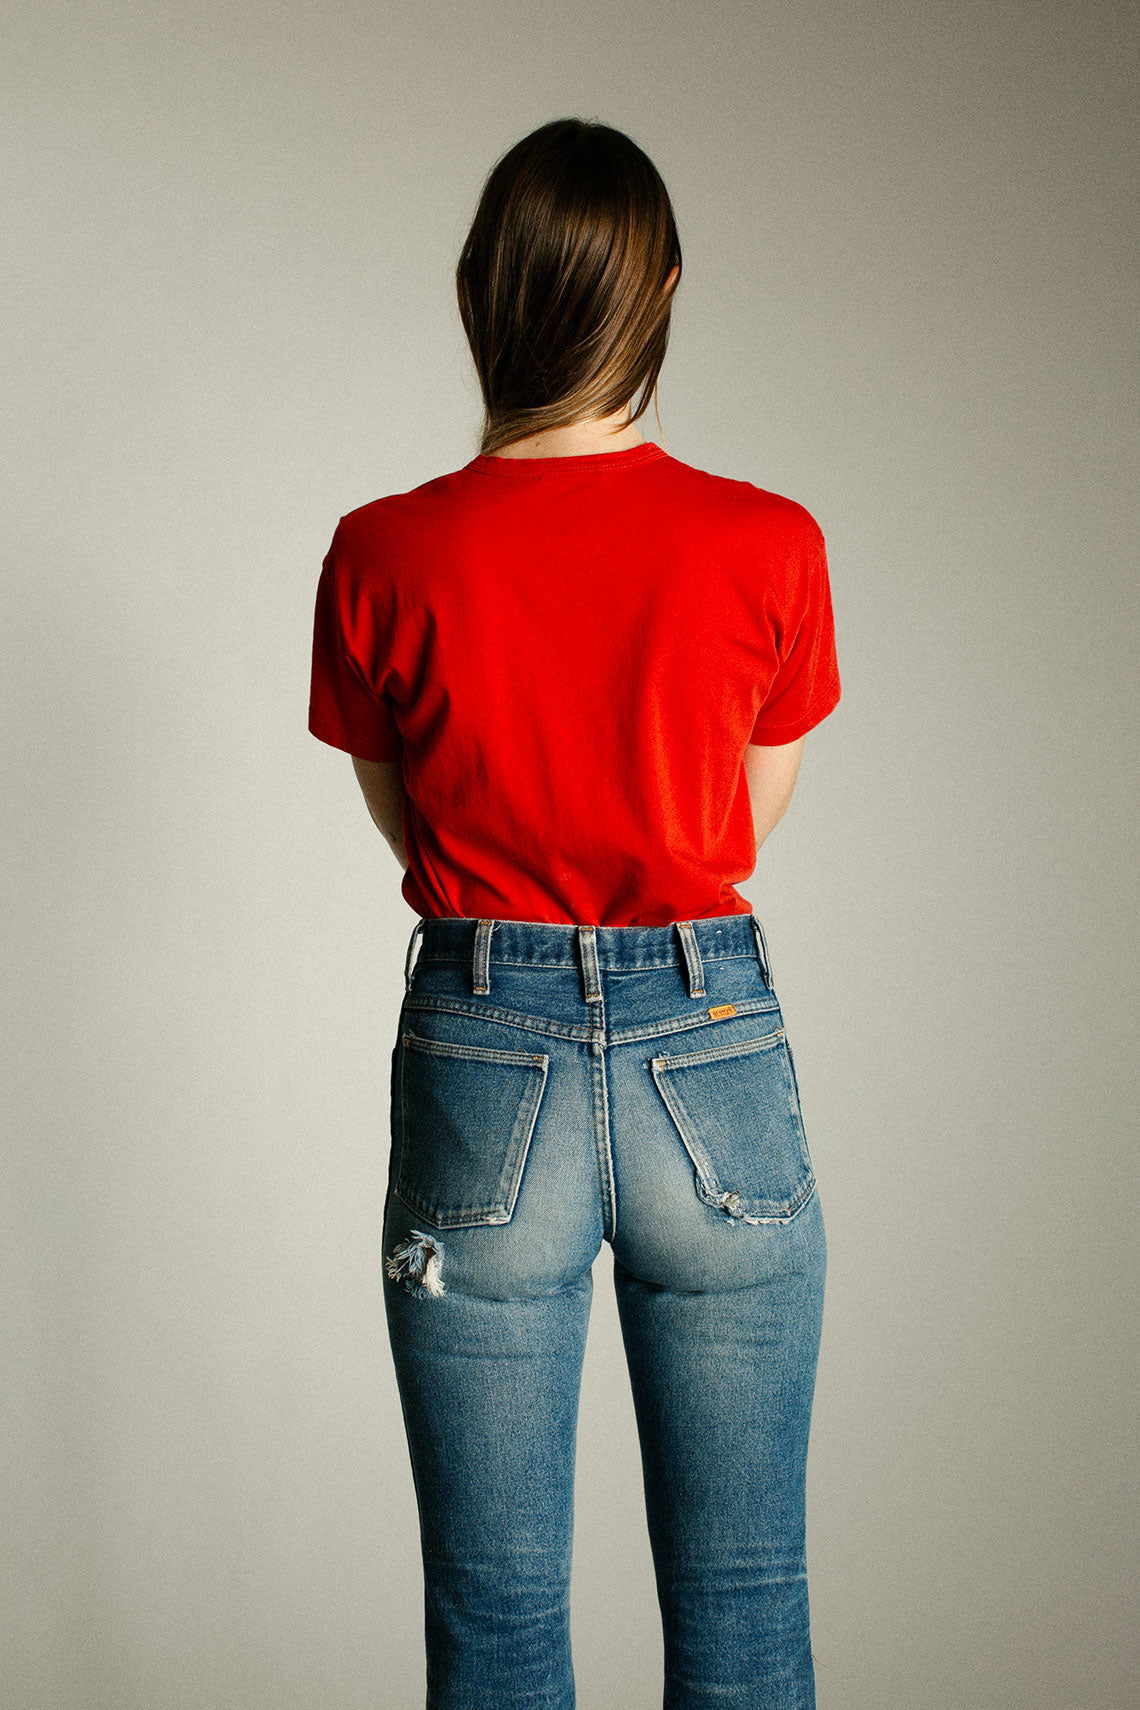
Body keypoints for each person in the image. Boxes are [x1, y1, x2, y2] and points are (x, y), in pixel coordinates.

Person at [308, 115, 841, 1710]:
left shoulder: (384, 552)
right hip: (709, 1050)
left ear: (482, 289)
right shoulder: (770, 544)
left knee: (492, 1616)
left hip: (486, 1057)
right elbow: (743, 819)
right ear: (662, 293)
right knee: (747, 1598)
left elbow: (409, 815)